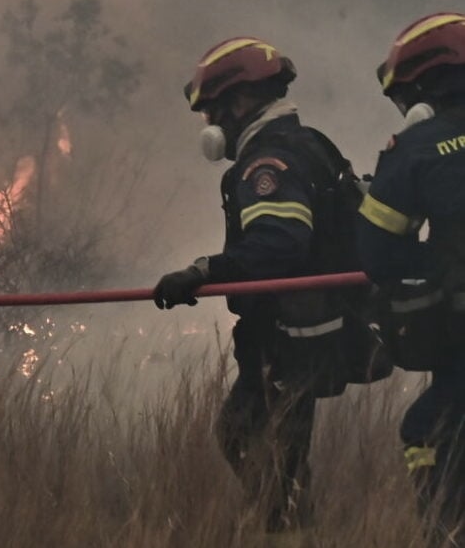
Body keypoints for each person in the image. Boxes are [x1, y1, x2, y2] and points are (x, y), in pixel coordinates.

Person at [153, 37, 365, 536]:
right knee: (253, 434)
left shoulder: (267, 165)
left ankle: (286, 525)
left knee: (257, 438)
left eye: (214, 112)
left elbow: (279, 245)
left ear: (241, 101)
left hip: (289, 335)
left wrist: (203, 271)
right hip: (314, 326)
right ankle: (287, 519)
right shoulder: (309, 143)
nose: (212, 126)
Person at [356, 12, 465, 542]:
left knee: (425, 428)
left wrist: (440, 265)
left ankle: (444, 533)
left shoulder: (420, 148)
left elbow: (379, 254)